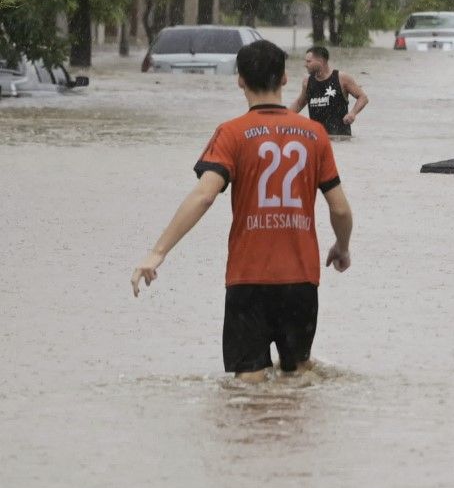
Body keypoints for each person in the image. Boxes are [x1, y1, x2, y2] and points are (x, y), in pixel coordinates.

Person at [131, 40, 354, 383]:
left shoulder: (231, 133)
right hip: (301, 280)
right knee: (299, 379)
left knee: (247, 384)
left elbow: (204, 196)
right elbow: (339, 208)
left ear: (239, 80)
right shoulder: (315, 135)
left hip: (247, 279)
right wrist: (342, 246)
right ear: (283, 78)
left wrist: (156, 253)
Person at [290, 46, 369, 137]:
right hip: (317, 139)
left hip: (341, 139)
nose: (305, 64)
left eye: (308, 61)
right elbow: (299, 104)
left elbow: (363, 98)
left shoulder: (341, 78)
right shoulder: (307, 82)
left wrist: (353, 113)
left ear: (321, 61)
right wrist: (282, 118)